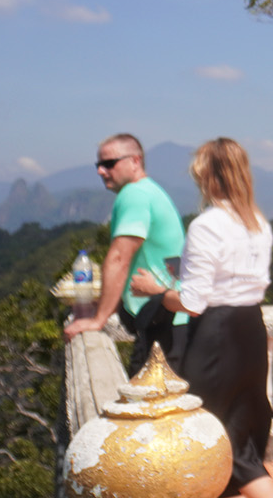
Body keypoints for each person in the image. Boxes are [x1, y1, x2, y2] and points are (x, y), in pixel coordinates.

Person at [130, 138, 273, 498]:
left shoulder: (207, 225)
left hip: (217, 338)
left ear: (209, 177)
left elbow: (193, 300)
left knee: (206, 439)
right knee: (231, 437)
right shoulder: (258, 224)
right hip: (250, 331)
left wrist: (155, 289)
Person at [63, 133, 187, 374]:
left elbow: (119, 257)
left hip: (163, 322)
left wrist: (98, 319)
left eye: (109, 163)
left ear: (135, 161)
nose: (101, 171)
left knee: (149, 407)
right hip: (172, 319)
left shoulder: (134, 195)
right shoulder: (151, 191)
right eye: (99, 165)